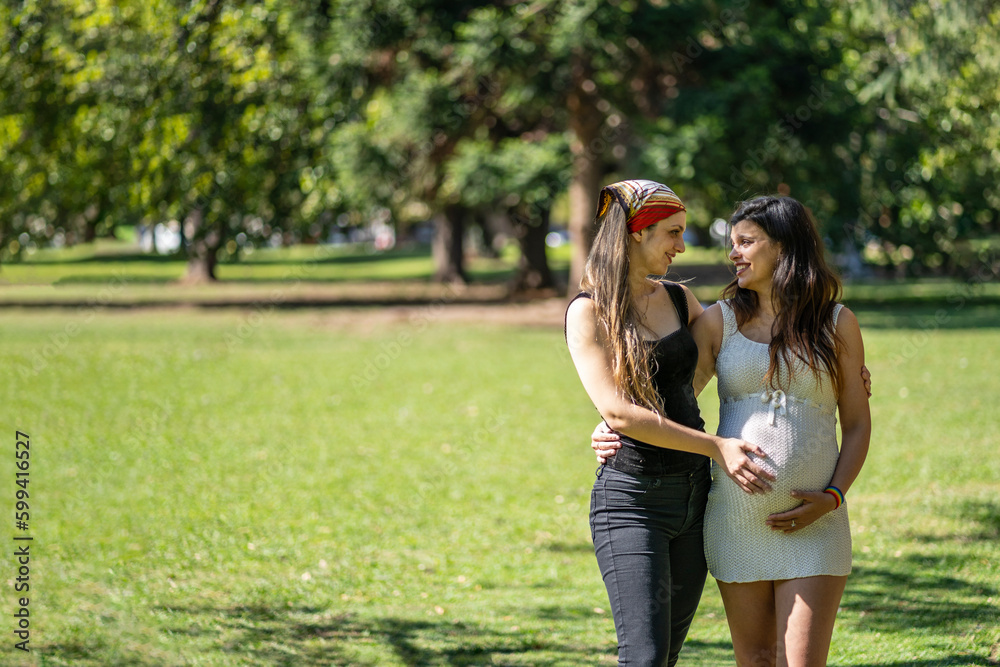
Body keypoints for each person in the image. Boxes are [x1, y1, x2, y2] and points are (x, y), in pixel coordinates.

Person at [593, 196, 872, 667]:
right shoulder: (719, 320)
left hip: (818, 523)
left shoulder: (836, 323)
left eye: (746, 242)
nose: (733, 254)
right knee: (757, 659)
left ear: (784, 248)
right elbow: (669, 391)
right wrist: (608, 422)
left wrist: (834, 496)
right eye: (732, 243)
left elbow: (859, 425)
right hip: (736, 521)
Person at [565, 179, 776, 667]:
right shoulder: (589, 311)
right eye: (672, 234)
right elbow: (618, 410)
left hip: (697, 500)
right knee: (643, 657)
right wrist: (712, 445)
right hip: (634, 502)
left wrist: (840, 365)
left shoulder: (680, 301)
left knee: (665, 657)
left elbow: (749, 343)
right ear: (637, 232)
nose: (682, 247)